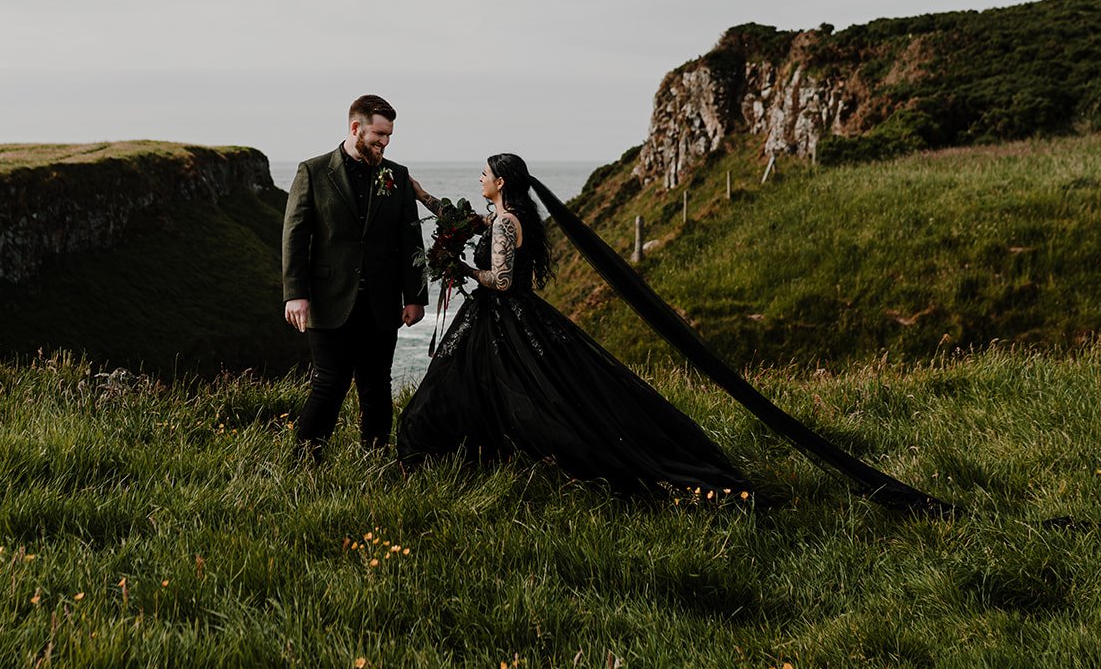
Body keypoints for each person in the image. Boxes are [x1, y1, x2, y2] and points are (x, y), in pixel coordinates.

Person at [397, 153, 754, 499]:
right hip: (506, 315)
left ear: (500, 182)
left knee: (474, 381)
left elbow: (502, 280)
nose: (480, 179)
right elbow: (463, 220)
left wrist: (463, 269)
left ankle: (458, 452)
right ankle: (490, 452)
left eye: (484, 173)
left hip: (503, 314)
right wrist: (421, 193)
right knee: (502, 383)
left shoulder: (506, 223)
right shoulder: (510, 216)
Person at [282, 94, 428, 456]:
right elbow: (295, 234)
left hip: (381, 300)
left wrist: (415, 297)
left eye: (389, 135)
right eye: (379, 134)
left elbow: (411, 237)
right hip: (329, 298)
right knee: (328, 384)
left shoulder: (397, 175)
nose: (384, 142)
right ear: (355, 128)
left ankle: (375, 459)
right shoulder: (313, 171)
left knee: (377, 385)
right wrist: (295, 292)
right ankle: (305, 460)